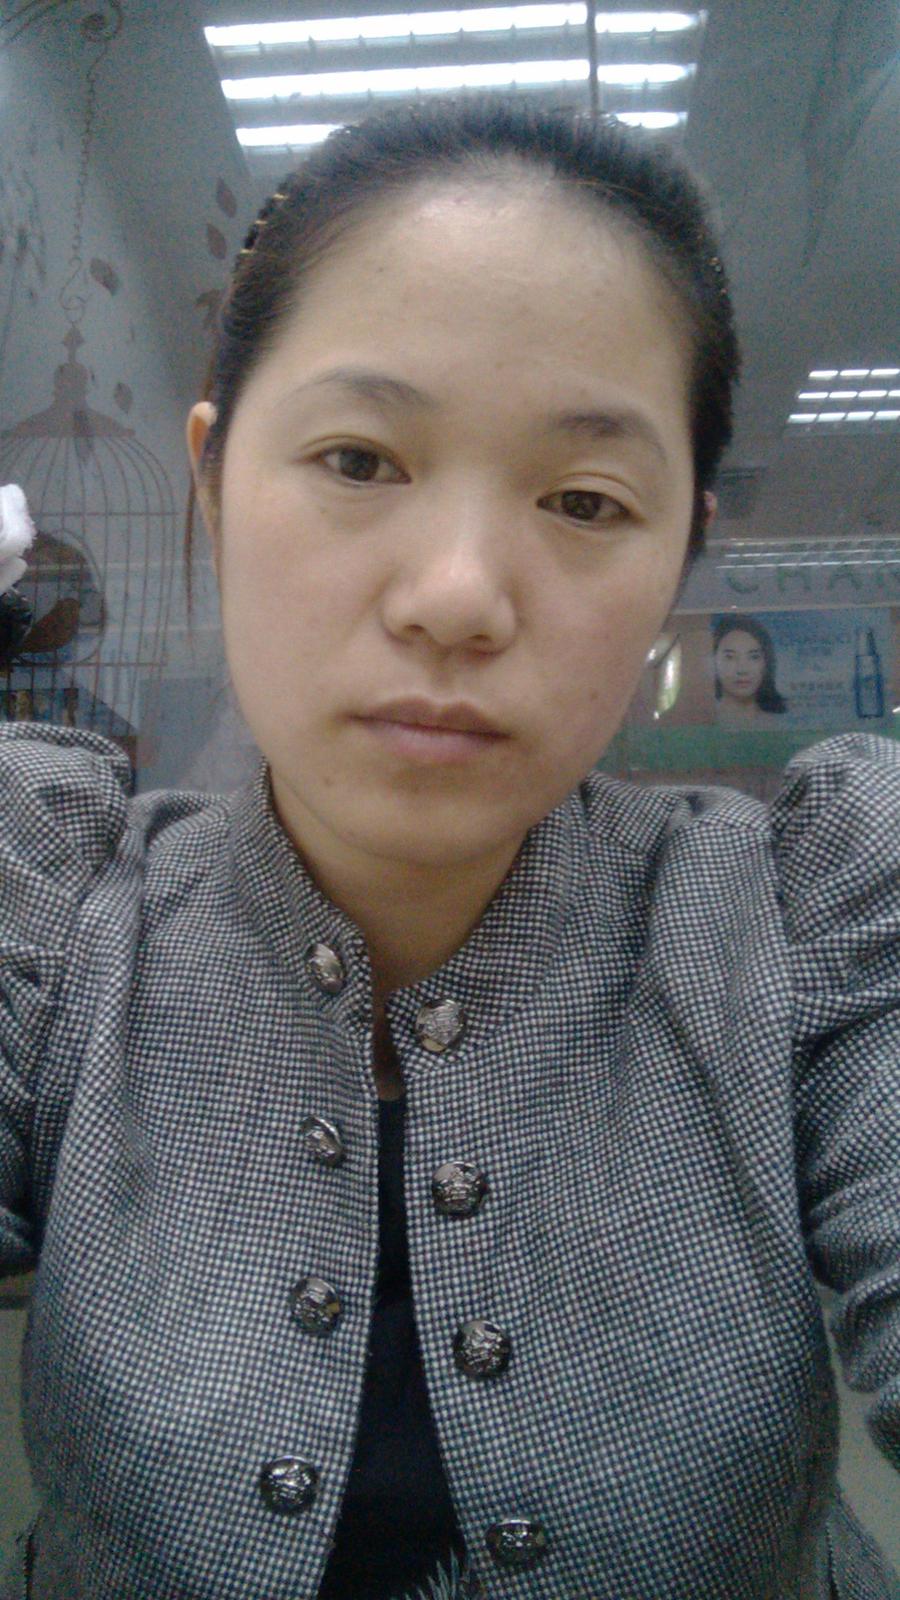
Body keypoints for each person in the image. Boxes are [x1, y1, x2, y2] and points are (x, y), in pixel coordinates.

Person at [1, 94, 898, 1600]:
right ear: (212, 483)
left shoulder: (809, 921)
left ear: (680, 552)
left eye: (584, 499)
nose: (459, 597)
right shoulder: (54, 913)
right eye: (360, 460)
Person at [712, 613, 788, 724]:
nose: (742, 670)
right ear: (714, 661)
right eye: (730, 657)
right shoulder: (699, 720)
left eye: (754, 657)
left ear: (766, 662)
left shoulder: (781, 724)